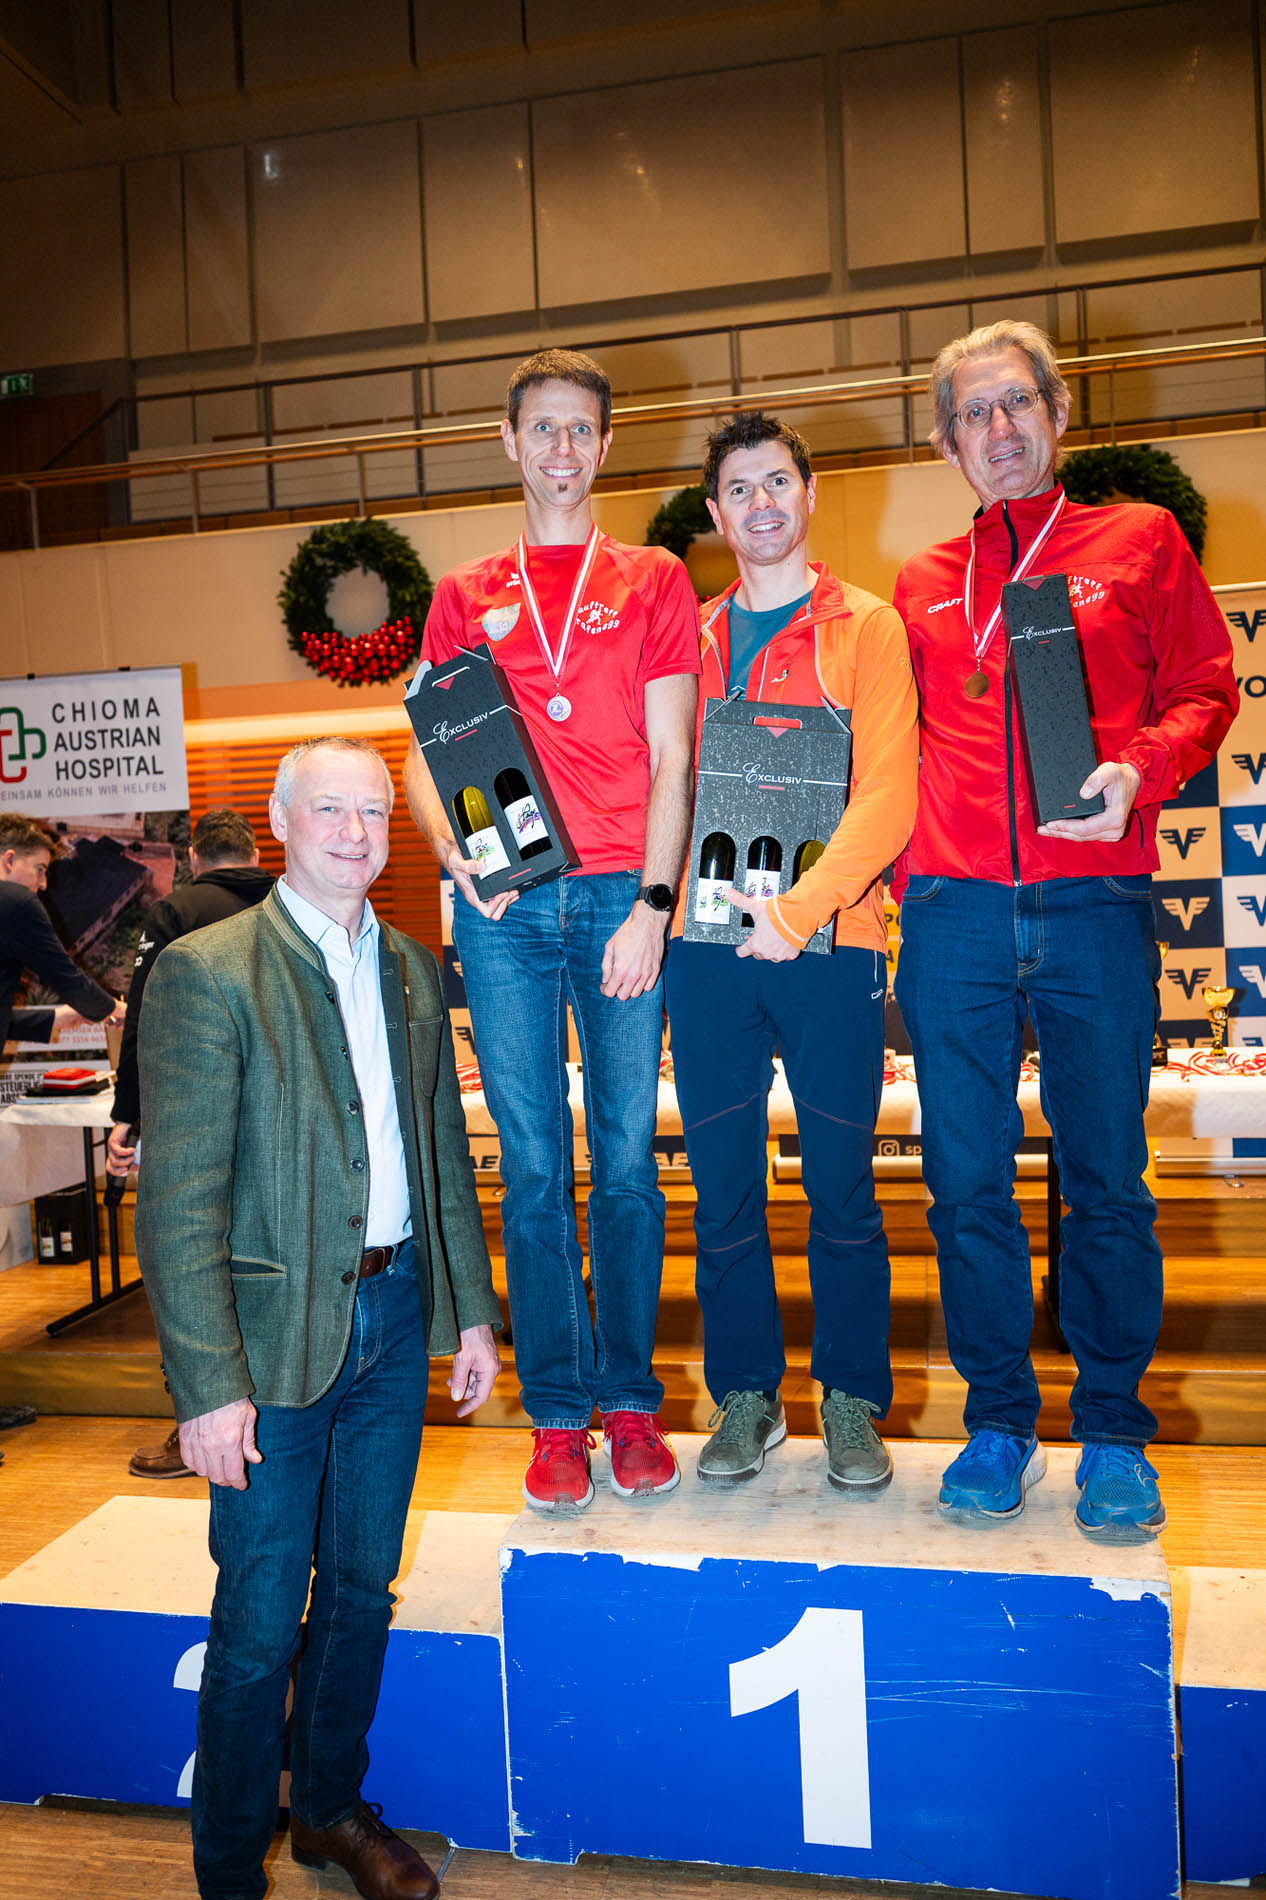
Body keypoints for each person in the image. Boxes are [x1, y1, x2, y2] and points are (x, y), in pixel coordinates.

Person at [135, 737, 501, 1900]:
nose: (353, 831)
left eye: (373, 811)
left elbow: (439, 1152)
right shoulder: (207, 971)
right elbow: (176, 1201)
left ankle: (329, 1810)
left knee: (357, 1591)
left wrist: (471, 1313)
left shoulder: (410, 968)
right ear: (282, 824)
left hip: (393, 1319)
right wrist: (206, 1387)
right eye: (329, 809)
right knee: (256, 1620)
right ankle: (229, 1869)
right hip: (265, 1345)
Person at [892, 319, 1238, 1540]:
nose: (998, 428)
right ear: (947, 444)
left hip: (1095, 902)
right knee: (964, 1184)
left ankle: (1113, 1431)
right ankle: (998, 1419)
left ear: (1058, 412)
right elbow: (885, 741)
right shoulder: (921, 582)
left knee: (1107, 1181)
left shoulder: (1138, 539)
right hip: (953, 912)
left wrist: (1142, 768)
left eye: (1016, 403)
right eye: (972, 413)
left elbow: (1206, 685)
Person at [404, 348, 700, 1514]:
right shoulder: (465, 591)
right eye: (544, 428)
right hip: (512, 908)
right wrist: (457, 859)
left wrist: (656, 905)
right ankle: (559, 1417)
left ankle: (630, 1402)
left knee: (624, 1164)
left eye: (582, 428)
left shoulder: (654, 577)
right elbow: (425, 754)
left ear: (606, 445)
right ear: (510, 441)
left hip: (621, 890)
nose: (563, 448)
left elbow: (674, 755)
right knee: (531, 1168)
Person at [664, 413, 918, 1491]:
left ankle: (850, 1398)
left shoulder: (868, 626)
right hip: (706, 949)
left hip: (830, 946)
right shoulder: (689, 639)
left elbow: (890, 795)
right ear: (715, 515)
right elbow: (662, 783)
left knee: (842, 1190)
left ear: (809, 495)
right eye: (739, 488)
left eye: (777, 481)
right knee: (722, 1189)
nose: (760, 502)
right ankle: (747, 1396)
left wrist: (801, 909)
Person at [110, 807, 274, 1481]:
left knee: (190, 1264)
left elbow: (143, 1018)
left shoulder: (176, 911)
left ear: (196, 858)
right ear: (255, 852)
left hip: (196, 1120)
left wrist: (128, 1114)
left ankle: (197, 1423)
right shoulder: (293, 898)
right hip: (283, 1125)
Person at [0, 813, 123, 1050]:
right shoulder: (16, 900)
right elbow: (64, 975)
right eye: (40, 869)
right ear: (10, 860)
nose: (43, 883)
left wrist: (55, 1019)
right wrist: (117, 1009)